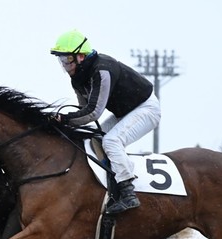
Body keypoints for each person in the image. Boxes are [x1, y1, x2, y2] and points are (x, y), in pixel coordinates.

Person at [50, 30, 161, 216]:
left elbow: (93, 112)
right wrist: (61, 124)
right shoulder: (77, 78)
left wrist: (64, 119)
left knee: (111, 141)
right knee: (94, 139)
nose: (64, 65)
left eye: (67, 59)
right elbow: (83, 111)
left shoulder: (102, 70)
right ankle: (111, 187)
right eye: (61, 59)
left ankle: (128, 193)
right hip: (125, 112)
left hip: (146, 108)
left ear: (81, 56)